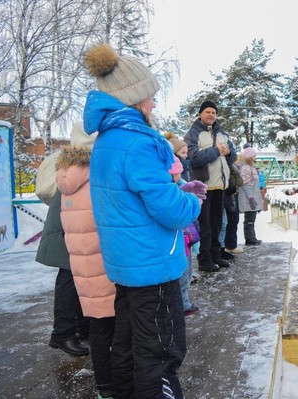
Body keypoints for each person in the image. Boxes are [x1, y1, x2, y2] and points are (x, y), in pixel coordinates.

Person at [83, 43, 202, 398]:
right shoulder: (138, 142)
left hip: (126, 262)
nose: (153, 103)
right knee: (161, 350)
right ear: (133, 97)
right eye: (149, 96)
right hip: (152, 264)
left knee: (127, 341)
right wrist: (191, 199)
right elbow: (170, 210)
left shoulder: (108, 139)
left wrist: (174, 188)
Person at [55, 122, 115, 398]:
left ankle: (104, 387)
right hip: (103, 262)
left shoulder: (67, 177)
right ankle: (113, 384)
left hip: (82, 265)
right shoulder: (95, 176)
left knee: (98, 323)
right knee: (111, 325)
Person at [35, 149, 89, 358]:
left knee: (77, 279)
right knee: (69, 280)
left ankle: (79, 327)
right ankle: (63, 333)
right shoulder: (80, 169)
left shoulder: (69, 167)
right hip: (70, 231)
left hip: (69, 228)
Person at [184, 100, 237, 272]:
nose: (211, 115)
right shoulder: (193, 133)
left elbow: (232, 157)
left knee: (217, 224)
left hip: (220, 185)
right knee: (205, 225)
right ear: (200, 114)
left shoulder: (222, 133)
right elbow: (193, 158)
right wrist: (216, 151)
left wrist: (229, 153)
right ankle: (204, 259)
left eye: (213, 112)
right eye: (207, 112)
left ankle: (216, 255)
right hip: (203, 186)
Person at [165, 133, 202, 316]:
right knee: (181, 272)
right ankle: (181, 303)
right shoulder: (172, 188)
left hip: (186, 236)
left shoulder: (182, 182)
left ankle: (183, 301)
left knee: (186, 270)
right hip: (180, 237)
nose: (186, 155)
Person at [238, 146, 263, 245]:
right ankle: (249, 239)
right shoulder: (245, 167)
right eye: (253, 156)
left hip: (252, 197)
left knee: (251, 219)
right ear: (248, 157)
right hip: (248, 198)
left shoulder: (251, 166)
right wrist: (251, 198)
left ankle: (252, 237)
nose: (255, 157)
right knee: (249, 219)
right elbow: (246, 183)